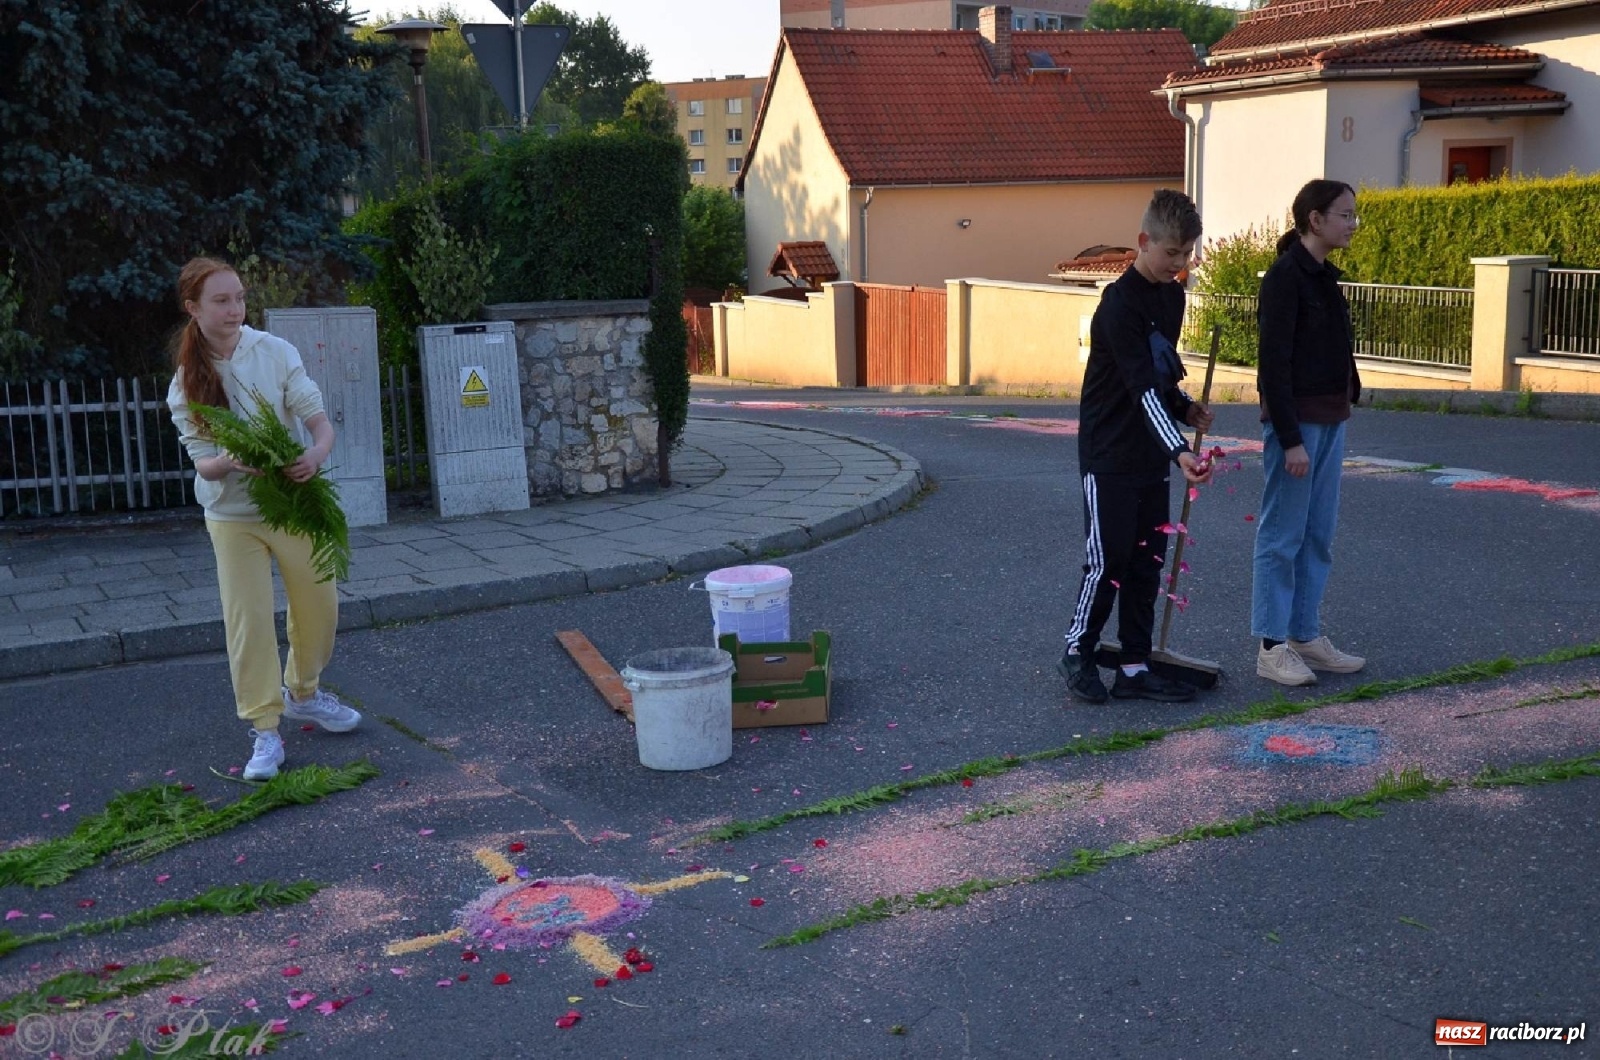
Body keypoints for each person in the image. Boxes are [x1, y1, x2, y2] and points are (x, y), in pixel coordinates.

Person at [167, 257, 361, 780]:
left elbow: (319, 424)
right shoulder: (187, 379)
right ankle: (265, 732)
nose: (235, 310)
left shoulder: (274, 352)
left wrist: (314, 456)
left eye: (240, 298)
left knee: (320, 604)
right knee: (248, 622)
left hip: (292, 504)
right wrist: (230, 460)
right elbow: (203, 462)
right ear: (194, 308)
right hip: (233, 517)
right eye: (221, 301)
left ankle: (304, 692)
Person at [1060, 189, 1214, 704]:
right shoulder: (1117, 306)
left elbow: (1161, 376)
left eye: (1187, 253)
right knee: (1108, 561)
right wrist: (1181, 449)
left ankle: (1133, 666)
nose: (1179, 263)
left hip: (1150, 453)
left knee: (1148, 560)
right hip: (1109, 454)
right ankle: (1077, 650)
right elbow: (1138, 387)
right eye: (1171, 252)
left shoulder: (1173, 296)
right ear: (1143, 241)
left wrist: (1185, 406)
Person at [1251, 179, 1366, 686]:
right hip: (1297, 427)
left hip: (1331, 418)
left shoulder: (1323, 275)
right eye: (1345, 215)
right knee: (1283, 536)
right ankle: (1272, 645)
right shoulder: (1283, 279)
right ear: (1314, 220)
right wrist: (1290, 437)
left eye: (1353, 215)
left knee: (1318, 535)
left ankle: (1304, 634)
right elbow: (1272, 366)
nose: (1353, 223)